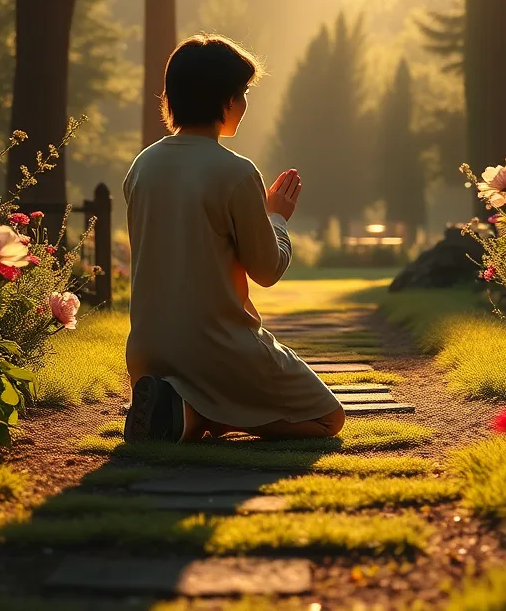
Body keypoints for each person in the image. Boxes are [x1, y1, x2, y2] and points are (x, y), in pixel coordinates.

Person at [122, 34, 345, 443]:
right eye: (242, 92)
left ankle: (183, 413)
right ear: (225, 100)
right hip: (218, 349)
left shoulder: (142, 167)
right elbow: (266, 270)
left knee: (198, 401)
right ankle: (209, 416)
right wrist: (276, 217)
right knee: (329, 420)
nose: (244, 103)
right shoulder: (236, 172)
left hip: (148, 353)